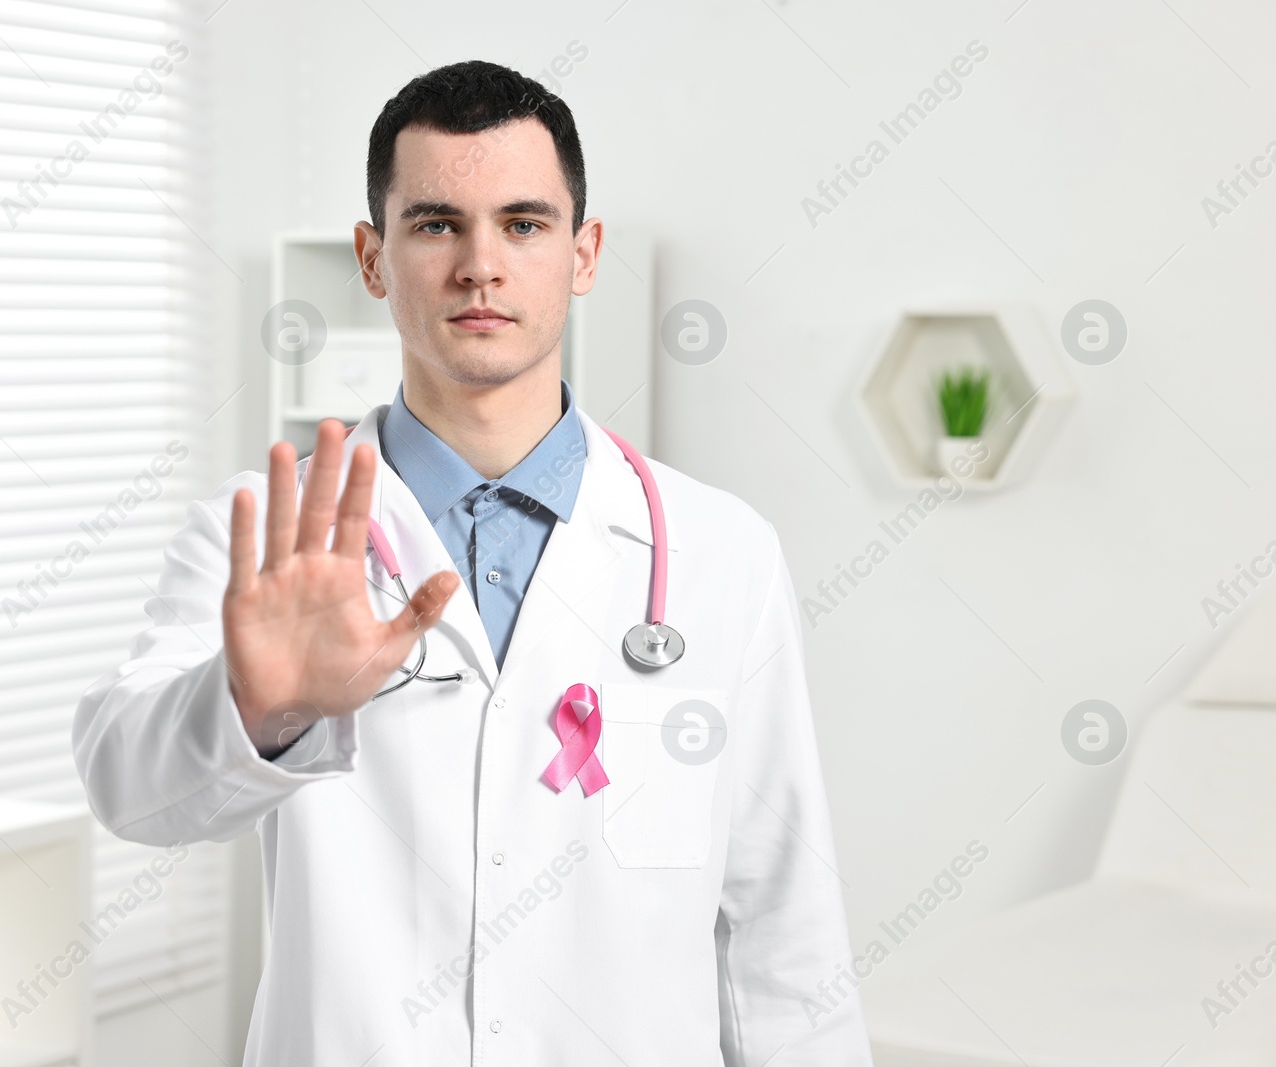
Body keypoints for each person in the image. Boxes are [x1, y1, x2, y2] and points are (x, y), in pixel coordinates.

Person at [73, 59, 872, 1066]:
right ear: (373, 257)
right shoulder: (268, 536)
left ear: (584, 254)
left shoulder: (721, 553)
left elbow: (783, 924)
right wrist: (259, 705)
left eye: (525, 224)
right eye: (436, 223)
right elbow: (129, 790)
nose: (480, 265)